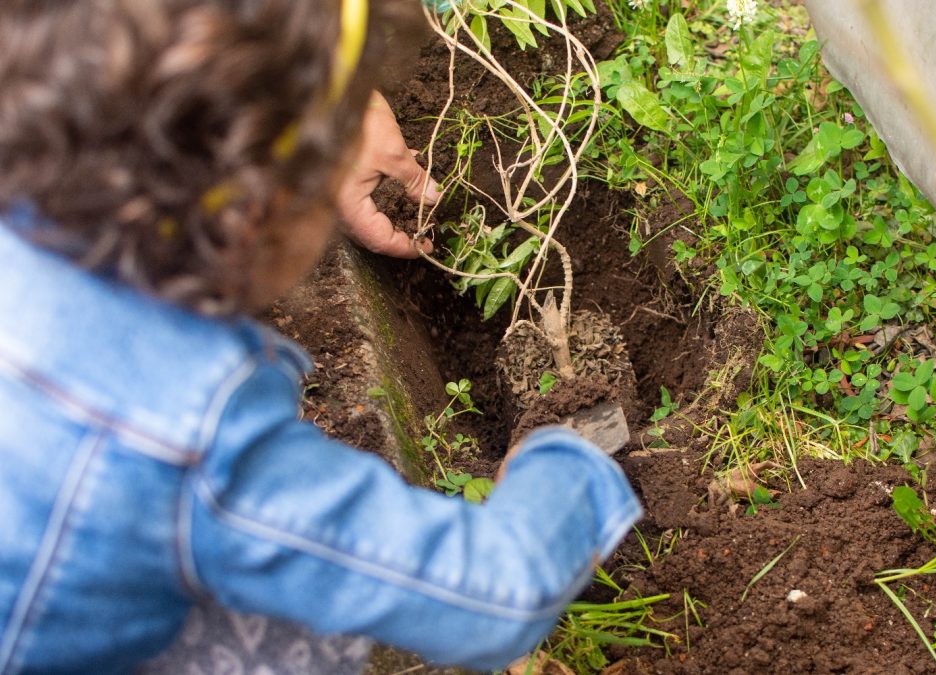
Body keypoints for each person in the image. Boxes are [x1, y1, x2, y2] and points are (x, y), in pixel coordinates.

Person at [0, 1, 641, 673]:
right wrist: (561, 465)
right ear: (263, 212)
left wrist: (340, 113)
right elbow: (493, 596)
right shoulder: (194, 446)